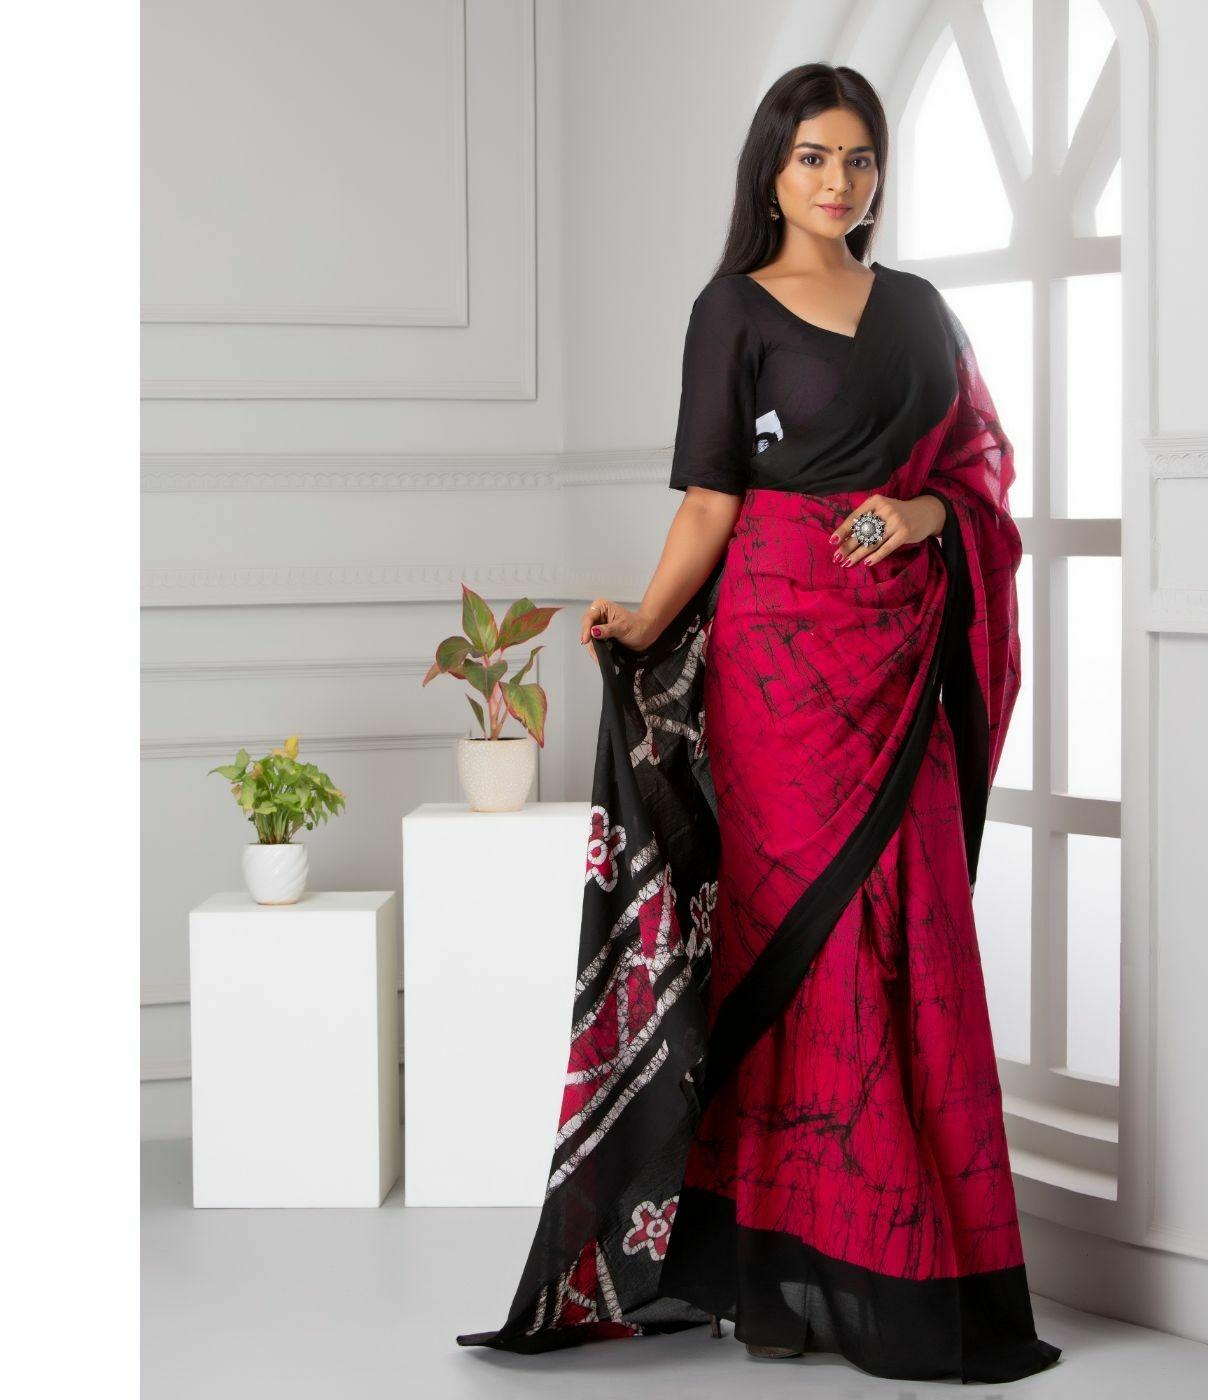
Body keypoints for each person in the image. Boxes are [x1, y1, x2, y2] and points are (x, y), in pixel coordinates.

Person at [456, 61, 1062, 1384]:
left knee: (912, 937)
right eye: (813, 158)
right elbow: (710, 503)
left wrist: (922, 515)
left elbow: (981, 479)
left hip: (901, 660)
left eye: (859, 158)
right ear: (772, 171)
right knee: (795, 948)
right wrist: (646, 612)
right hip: (777, 670)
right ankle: (773, 1274)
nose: (839, 182)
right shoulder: (730, 311)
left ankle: (902, 1262)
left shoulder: (921, 312)